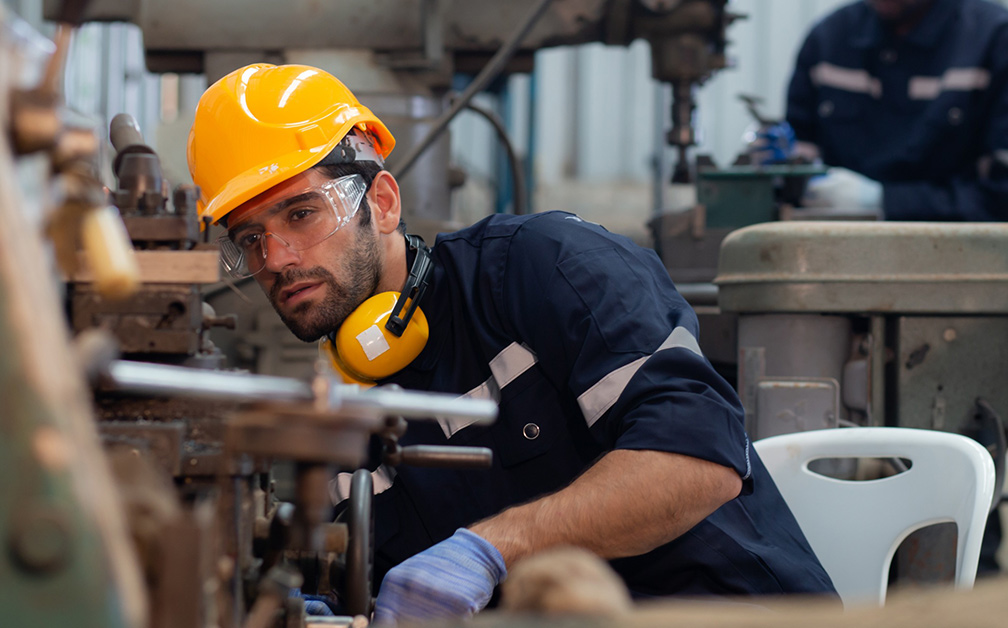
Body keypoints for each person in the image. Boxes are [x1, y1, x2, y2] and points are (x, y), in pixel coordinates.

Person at [188, 63, 837, 624]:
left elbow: (698, 463)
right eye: (250, 238)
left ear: (382, 202)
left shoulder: (542, 269)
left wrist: (491, 548)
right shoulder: (341, 436)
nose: (276, 257)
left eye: (302, 214)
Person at [785, 0, 1008, 221]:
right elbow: (795, 166)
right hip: (835, 265)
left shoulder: (1003, 44)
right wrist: (768, 169)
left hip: (961, 270)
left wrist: (883, 201)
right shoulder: (828, 41)